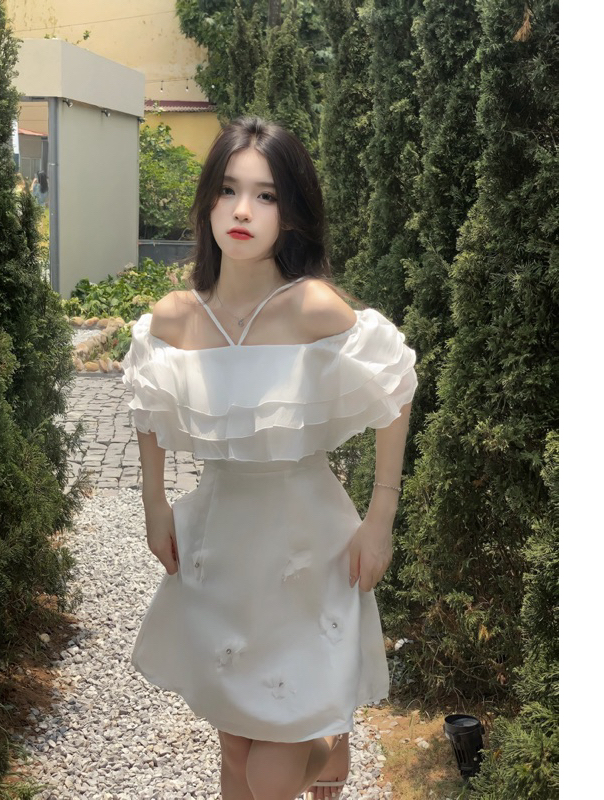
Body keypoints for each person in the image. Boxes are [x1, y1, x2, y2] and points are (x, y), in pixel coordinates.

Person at [121, 117, 417, 800]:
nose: (242, 211)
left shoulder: (312, 307)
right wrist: (155, 503)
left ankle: (323, 745)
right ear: (208, 202)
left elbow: (395, 383)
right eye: (228, 190)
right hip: (219, 542)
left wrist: (381, 516)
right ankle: (322, 744)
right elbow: (146, 402)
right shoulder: (174, 317)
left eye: (266, 195)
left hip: (307, 542)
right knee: (236, 751)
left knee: (269, 769)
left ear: (292, 211)